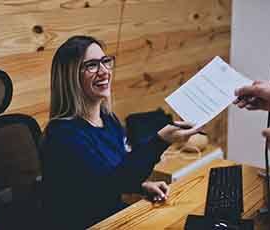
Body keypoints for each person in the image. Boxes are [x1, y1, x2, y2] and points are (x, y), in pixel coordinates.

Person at [41, 35, 199, 229]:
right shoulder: (63, 135)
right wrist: (161, 140)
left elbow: (114, 173)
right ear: (70, 77)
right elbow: (110, 183)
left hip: (110, 217)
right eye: (91, 65)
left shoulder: (108, 119)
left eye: (105, 62)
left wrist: (141, 186)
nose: (104, 71)